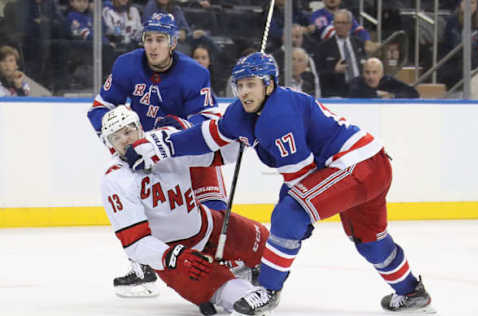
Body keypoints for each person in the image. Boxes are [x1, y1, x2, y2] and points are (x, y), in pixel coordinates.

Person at [125, 52, 435, 315]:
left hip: (357, 167)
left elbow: (301, 179)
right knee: (369, 241)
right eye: (241, 85)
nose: (245, 92)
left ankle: (268, 291)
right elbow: (208, 136)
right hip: (369, 165)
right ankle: (412, 293)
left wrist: (297, 223)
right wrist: (162, 147)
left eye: (252, 84)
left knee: (289, 213)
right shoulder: (242, 112)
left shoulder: (278, 117)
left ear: (269, 84)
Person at [87, 12, 228, 295]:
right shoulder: (126, 65)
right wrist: (116, 141)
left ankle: (228, 259)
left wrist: (173, 134)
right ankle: (143, 265)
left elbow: (209, 121)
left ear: (173, 42)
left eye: (160, 39)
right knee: (140, 209)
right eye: (149, 39)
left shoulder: (194, 73)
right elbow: (99, 108)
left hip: (183, 150)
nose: (153, 46)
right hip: (141, 154)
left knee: (214, 211)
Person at [99, 105, 270, 315]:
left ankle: (250, 269)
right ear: (110, 145)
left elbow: (220, 156)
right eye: (116, 138)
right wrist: (171, 257)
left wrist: (237, 135)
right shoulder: (115, 180)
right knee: (236, 296)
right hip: (177, 256)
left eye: (128, 131)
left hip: (208, 225)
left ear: (139, 127)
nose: (125, 140)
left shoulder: (162, 142)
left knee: (266, 242)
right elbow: (135, 242)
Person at [313, 9, 366, 98]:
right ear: (333, 24)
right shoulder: (323, 47)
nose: (340, 26)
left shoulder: (359, 43)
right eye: (337, 23)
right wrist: (334, 71)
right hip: (336, 93)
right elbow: (317, 74)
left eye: (344, 23)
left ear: (350, 25)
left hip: (360, 91)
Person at [309, 0, 380, 54]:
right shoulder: (316, 15)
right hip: (327, 54)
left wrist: (367, 41)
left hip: (348, 51)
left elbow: (359, 31)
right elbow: (328, 32)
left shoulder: (346, 14)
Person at [348, 57, 419, 99]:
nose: (371, 76)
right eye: (367, 72)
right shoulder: (357, 82)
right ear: (363, 73)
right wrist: (377, 94)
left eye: (374, 72)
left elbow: (413, 93)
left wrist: (392, 95)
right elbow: (352, 93)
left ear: (381, 74)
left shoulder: (388, 81)